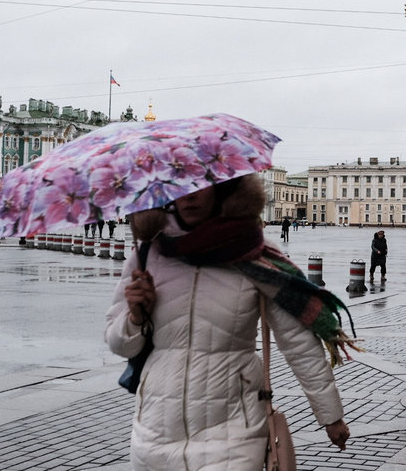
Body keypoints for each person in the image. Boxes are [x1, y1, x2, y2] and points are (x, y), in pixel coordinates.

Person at [105, 175, 352, 469]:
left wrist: (330, 415)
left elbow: (297, 343)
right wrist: (135, 314)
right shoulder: (147, 253)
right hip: (155, 432)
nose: (190, 196)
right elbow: (119, 344)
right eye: (180, 186)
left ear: (222, 189)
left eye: (200, 186)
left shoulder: (252, 253)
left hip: (234, 430)